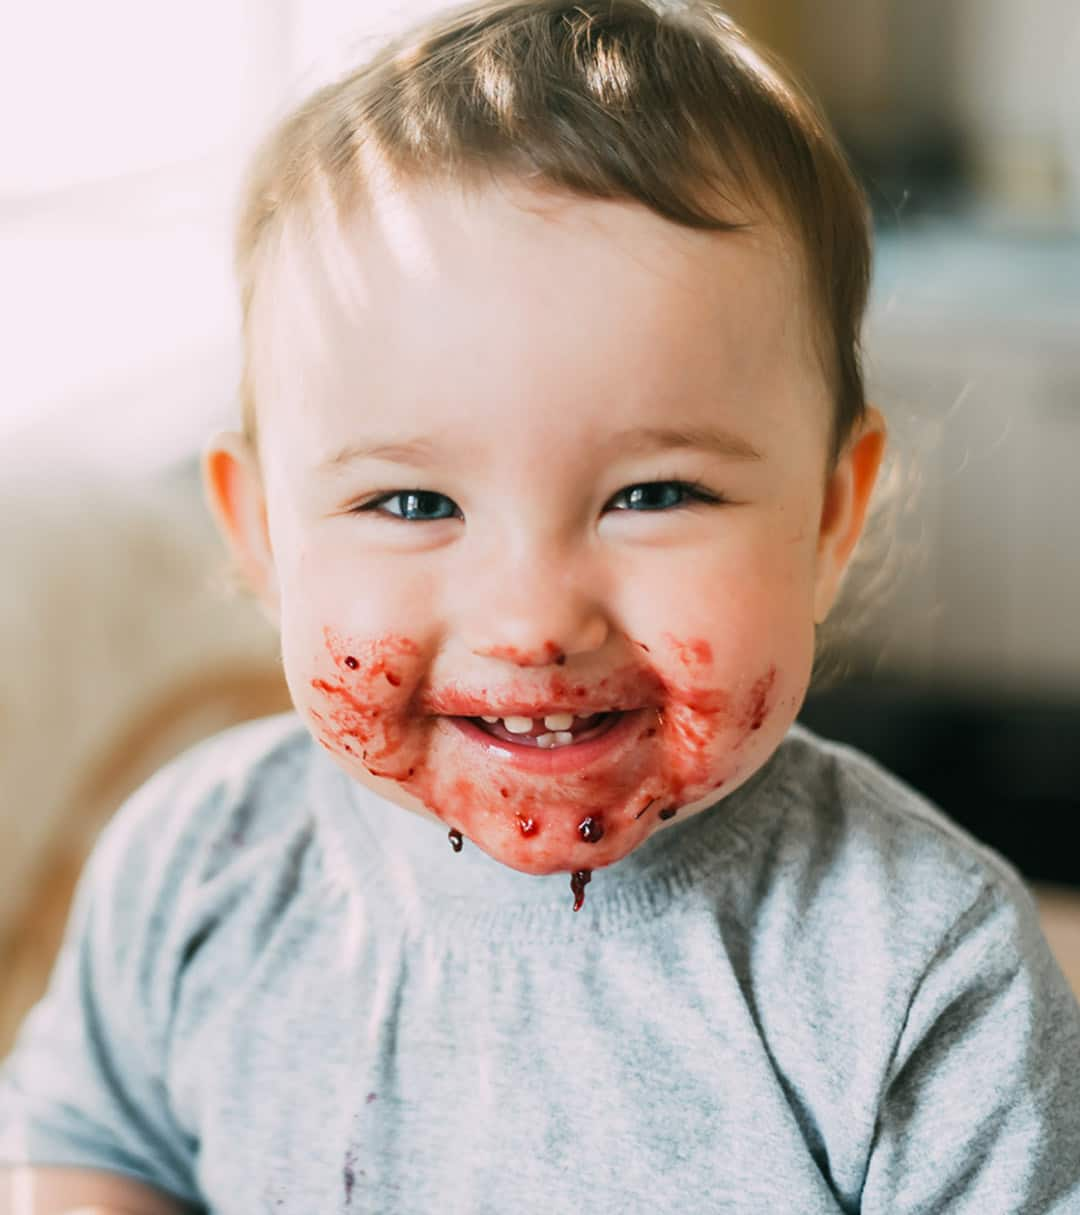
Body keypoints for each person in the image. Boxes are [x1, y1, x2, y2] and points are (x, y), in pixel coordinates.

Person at [3, 1, 1080, 1211]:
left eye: (654, 492)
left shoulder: (927, 975)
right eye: (411, 503)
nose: (532, 620)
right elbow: (95, 1139)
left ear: (831, 519)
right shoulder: (195, 869)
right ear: (260, 534)